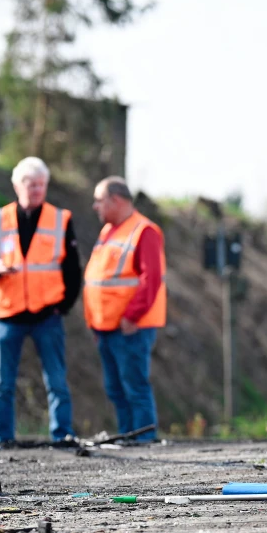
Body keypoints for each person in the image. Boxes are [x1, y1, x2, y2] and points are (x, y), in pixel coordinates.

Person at [0, 156, 80, 444]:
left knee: (57, 382)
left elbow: (73, 270)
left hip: (47, 315)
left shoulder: (61, 220)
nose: (36, 189)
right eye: (30, 184)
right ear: (16, 185)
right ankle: (1, 438)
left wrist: (63, 306)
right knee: (2, 384)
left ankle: (62, 435)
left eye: (41, 184)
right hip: (7, 316)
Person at [84, 176, 167, 442]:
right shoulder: (108, 231)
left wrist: (132, 316)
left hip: (131, 326)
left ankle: (144, 439)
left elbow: (151, 279)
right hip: (106, 326)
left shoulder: (144, 231)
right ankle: (129, 438)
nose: (95, 207)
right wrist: (95, 322)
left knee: (134, 386)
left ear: (116, 200)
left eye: (99, 200)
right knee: (116, 389)